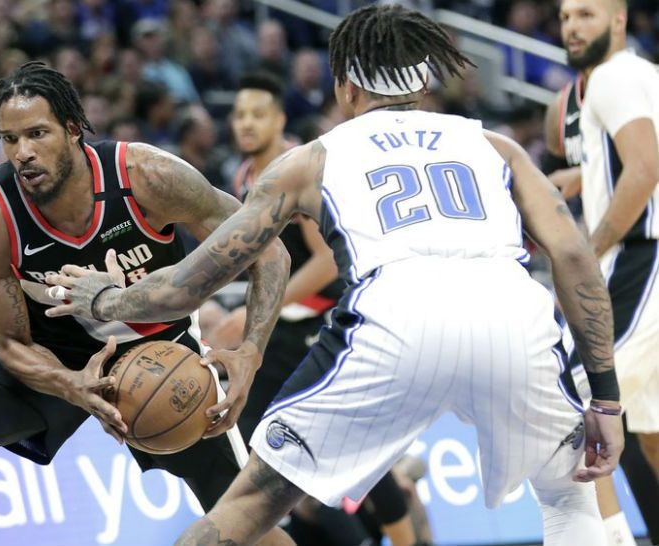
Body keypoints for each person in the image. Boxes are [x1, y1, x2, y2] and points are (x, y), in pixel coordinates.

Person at [45, 6, 625, 546]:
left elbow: (188, 285)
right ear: (423, 83)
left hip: (396, 316)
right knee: (569, 496)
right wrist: (606, 399)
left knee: (251, 503)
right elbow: (574, 261)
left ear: (345, 87)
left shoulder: (310, 160)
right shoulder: (497, 146)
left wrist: (106, 301)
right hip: (511, 311)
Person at [0, 61, 292, 546]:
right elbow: (11, 343)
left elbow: (268, 250)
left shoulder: (146, 176)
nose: (22, 153)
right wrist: (69, 384)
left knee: (248, 523)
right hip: (51, 354)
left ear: (74, 129)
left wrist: (251, 350)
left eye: (37, 133)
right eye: (10, 140)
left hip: (160, 352)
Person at [217, 71, 424, 546]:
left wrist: (258, 313)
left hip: (329, 323)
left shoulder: (299, 169)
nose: (246, 123)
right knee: (264, 452)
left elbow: (328, 261)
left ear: (280, 119)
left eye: (258, 114)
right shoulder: (242, 176)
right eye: (240, 114)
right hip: (284, 333)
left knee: (355, 460)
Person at [543, 37, 659, 543]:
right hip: (641, 253)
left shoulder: (614, 77)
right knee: (651, 431)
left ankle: (609, 538)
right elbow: (559, 139)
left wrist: (590, 250)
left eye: (586, 13)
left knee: (571, 396)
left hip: (642, 253)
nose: (571, 25)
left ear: (618, 21)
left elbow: (645, 168)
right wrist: (585, 172)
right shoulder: (629, 81)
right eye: (566, 14)